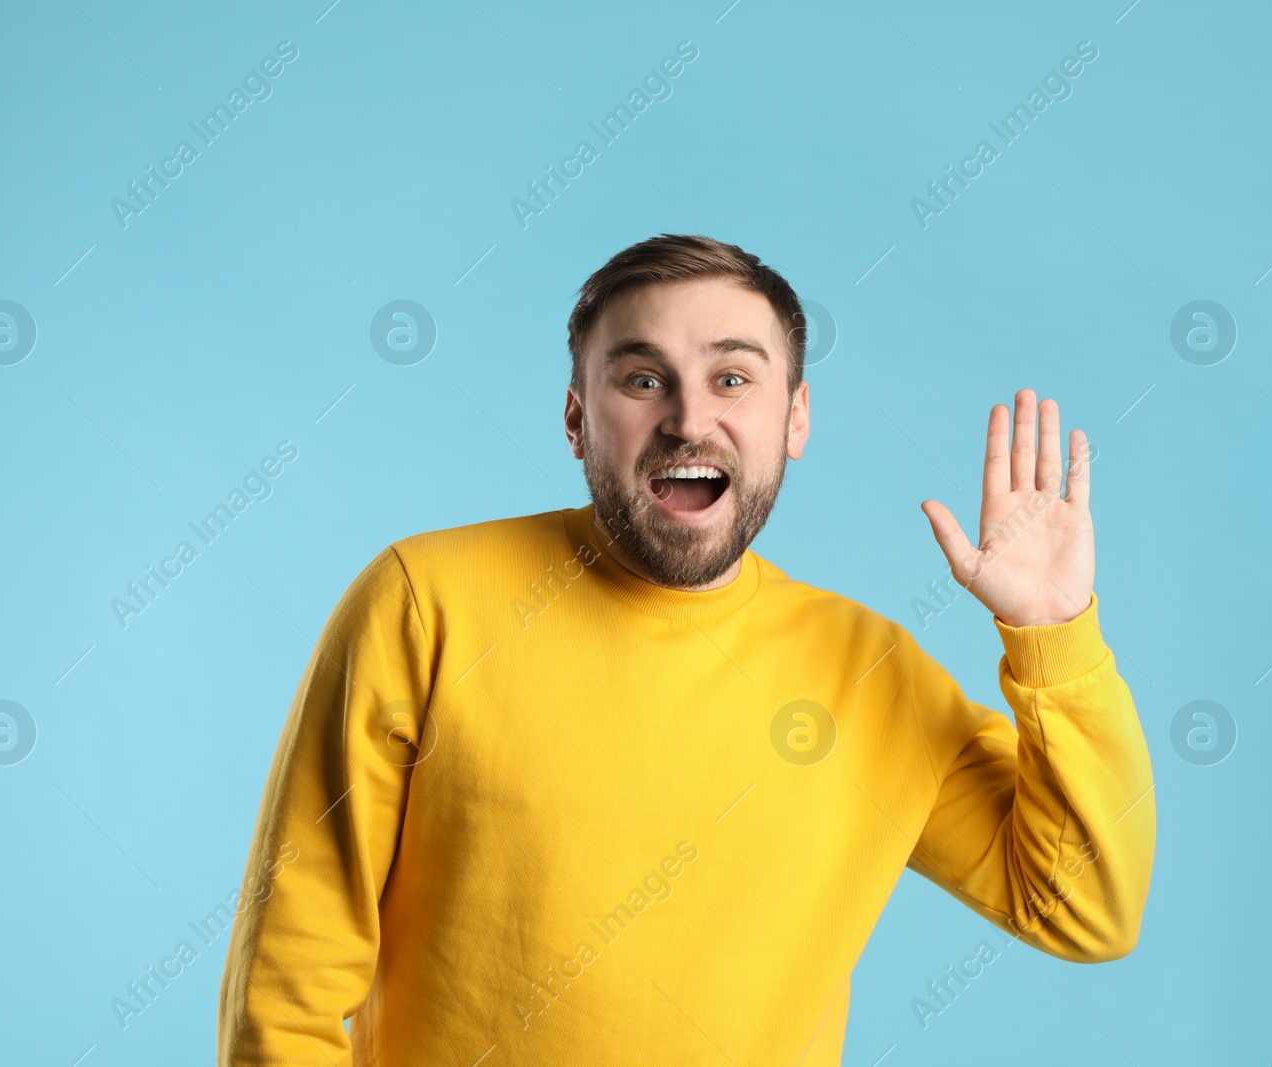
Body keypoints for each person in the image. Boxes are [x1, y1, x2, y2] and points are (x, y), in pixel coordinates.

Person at [216, 233, 1156, 1065]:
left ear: (795, 420)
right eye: (641, 378)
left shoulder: (871, 672)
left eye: (734, 378)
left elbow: (1084, 907)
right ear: (579, 416)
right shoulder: (425, 602)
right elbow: (288, 984)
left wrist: (1052, 634)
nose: (688, 419)